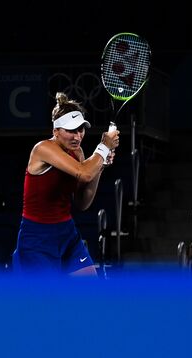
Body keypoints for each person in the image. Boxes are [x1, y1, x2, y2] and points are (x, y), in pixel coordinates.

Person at [12, 93, 120, 275]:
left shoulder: (77, 153)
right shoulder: (43, 148)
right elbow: (84, 173)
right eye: (71, 131)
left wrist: (100, 167)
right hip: (37, 237)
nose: (77, 136)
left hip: (67, 232)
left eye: (81, 130)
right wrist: (103, 147)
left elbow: (82, 203)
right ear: (56, 131)